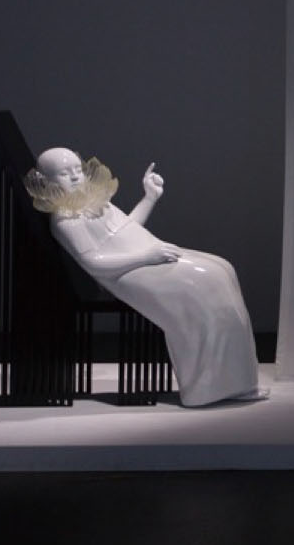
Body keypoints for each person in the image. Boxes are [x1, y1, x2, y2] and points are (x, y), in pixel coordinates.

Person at [25, 148, 262, 406]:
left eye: (77, 170)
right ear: (46, 181)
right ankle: (204, 388)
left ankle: (239, 381)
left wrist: (149, 198)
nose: (74, 177)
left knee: (223, 268)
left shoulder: (93, 201)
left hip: (148, 254)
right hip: (126, 271)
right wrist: (146, 257)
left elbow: (127, 226)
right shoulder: (66, 220)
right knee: (206, 282)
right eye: (63, 173)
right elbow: (93, 262)